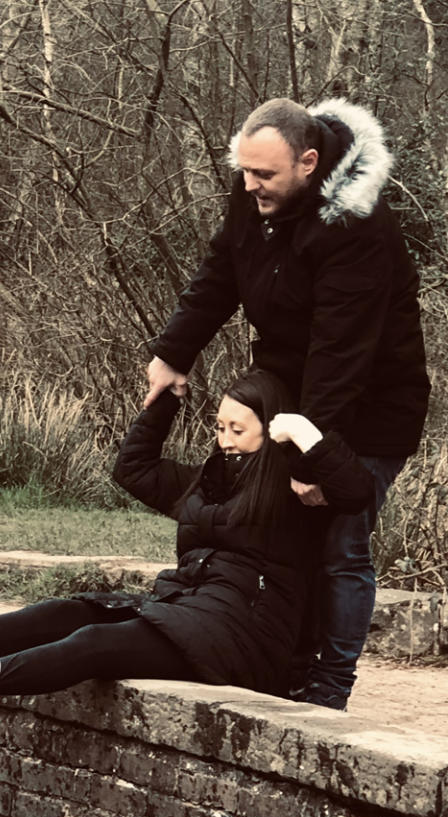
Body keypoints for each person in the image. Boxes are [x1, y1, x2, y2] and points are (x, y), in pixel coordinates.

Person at [0, 370, 373, 716]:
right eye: (219, 428)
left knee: (95, 644)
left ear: (270, 431)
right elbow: (133, 469)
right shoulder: (206, 480)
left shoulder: (295, 492)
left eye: (239, 430)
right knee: (68, 610)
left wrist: (306, 436)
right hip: (188, 610)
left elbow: (356, 492)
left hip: (242, 639)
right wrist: (166, 402)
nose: (226, 440)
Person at [145, 97, 430, 710]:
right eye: (243, 172)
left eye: (264, 176)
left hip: (369, 411)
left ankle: (329, 688)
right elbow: (220, 271)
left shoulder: (357, 228)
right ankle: (285, 668)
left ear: (308, 162)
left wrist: (310, 462)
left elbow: (340, 355)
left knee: (339, 546)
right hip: (287, 393)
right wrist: (174, 354)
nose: (249, 186)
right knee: (278, 533)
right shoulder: (256, 190)